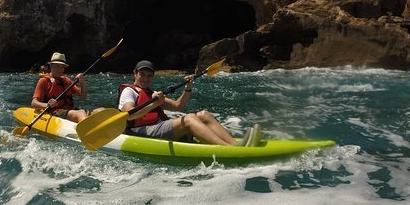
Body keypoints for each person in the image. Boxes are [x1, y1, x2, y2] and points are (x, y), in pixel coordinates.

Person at [118, 60, 258, 145]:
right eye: (142, 74)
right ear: (135, 73)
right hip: (139, 131)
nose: (145, 78)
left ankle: (235, 143)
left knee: (203, 114)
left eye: (149, 76)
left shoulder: (151, 93)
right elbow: (129, 115)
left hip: (157, 127)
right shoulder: (129, 91)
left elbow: (179, 106)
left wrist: (188, 87)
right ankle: (229, 149)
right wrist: (154, 104)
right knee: (189, 119)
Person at [31, 52, 89, 123]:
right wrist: (47, 105)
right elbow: (34, 103)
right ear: (51, 66)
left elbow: (83, 96)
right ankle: (88, 132)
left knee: (99, 110)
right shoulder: (44, 81)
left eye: (62, 67)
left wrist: (82, 82)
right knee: (81, 113)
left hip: (70, 111)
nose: (60, 69)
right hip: (55, 113)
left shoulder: (67, 80)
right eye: (57, 66)